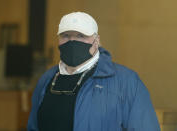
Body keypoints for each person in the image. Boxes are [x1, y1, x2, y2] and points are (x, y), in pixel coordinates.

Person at [27, 12, 160, 131]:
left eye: (81, 36)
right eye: (65, 36)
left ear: (96, 41)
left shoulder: (127, 82)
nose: (72, 41)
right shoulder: (47, 79)